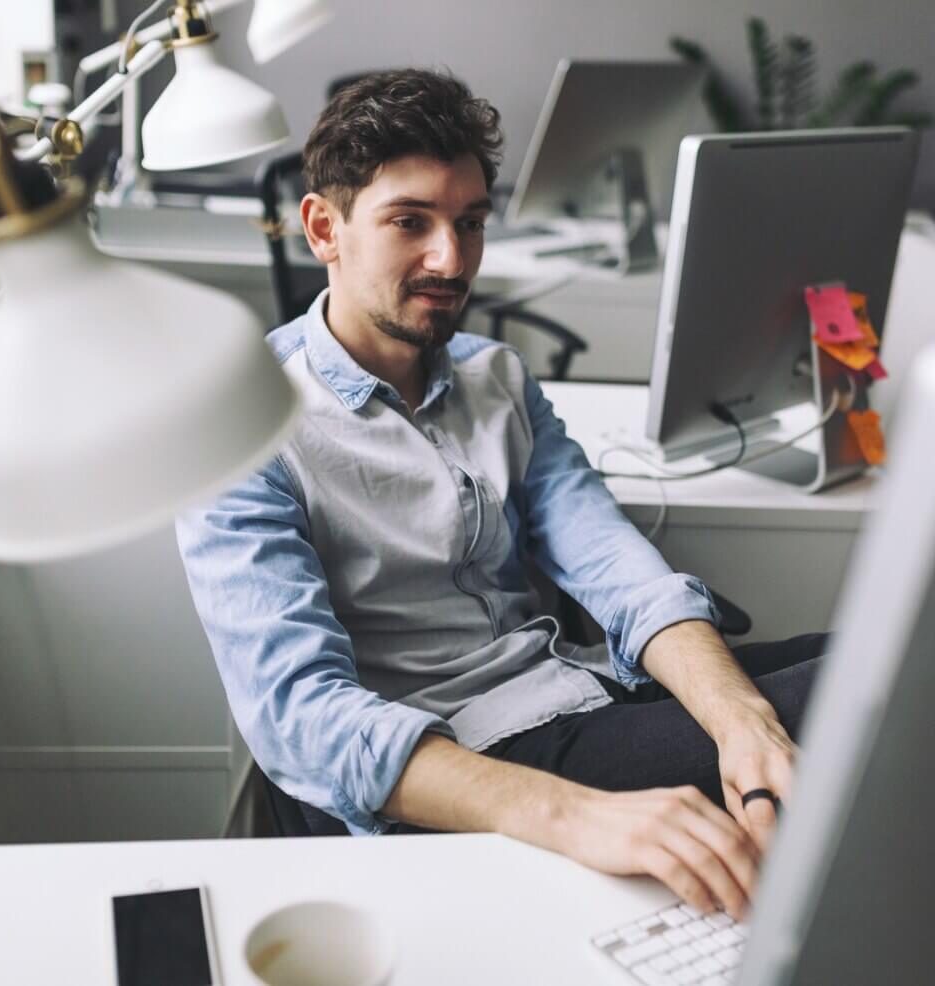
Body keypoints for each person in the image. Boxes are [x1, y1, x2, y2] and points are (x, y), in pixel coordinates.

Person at [176, 68, 826, 920]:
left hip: (572, 693)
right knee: (862, 708)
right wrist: (576, 818)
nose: (451, 259)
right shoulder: (241, 421)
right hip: (458, 771)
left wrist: (740, 717)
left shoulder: (499, 379)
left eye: (470, 223)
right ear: (323, 228)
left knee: (881, 659)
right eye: (410, 222)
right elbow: (302, 720)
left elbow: (615, 564)